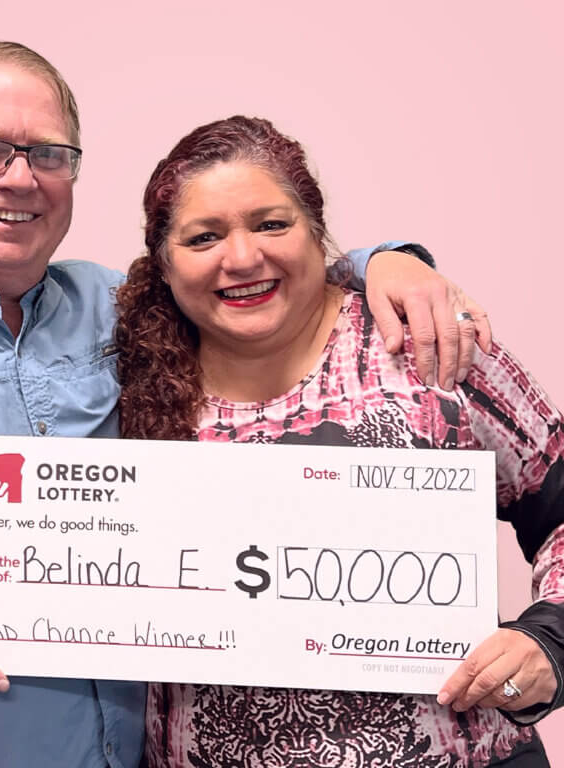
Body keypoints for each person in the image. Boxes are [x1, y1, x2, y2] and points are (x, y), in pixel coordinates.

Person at [0, 40, 489, 767]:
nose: (20, 177)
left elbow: (243, 276)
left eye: (49, 154)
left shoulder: (112, 309)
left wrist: (385, 262)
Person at [115, 115, 564, 767]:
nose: (242, 258)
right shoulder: (120, 381)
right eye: (203, 236)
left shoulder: (426, 342)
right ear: (163, 260)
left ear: (316, 231)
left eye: (271, 224)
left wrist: (551, 641)